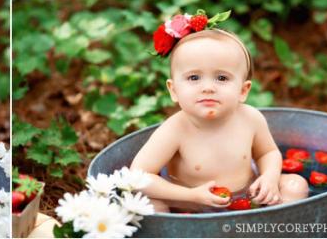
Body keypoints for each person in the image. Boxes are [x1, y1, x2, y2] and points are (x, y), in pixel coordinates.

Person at [130, 11, 308, 212]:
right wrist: (191, 195)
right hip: (190, 202)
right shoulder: (175, 129)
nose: (208, 88)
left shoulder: (250, 118)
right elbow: (139, 176)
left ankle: (271, 228)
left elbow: (268, 152)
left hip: (247, 195)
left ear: (243, 90)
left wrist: (269, 177)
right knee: (149, 202)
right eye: (194, 78)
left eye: (222, 78)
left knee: (295, 185)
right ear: (174, 90)